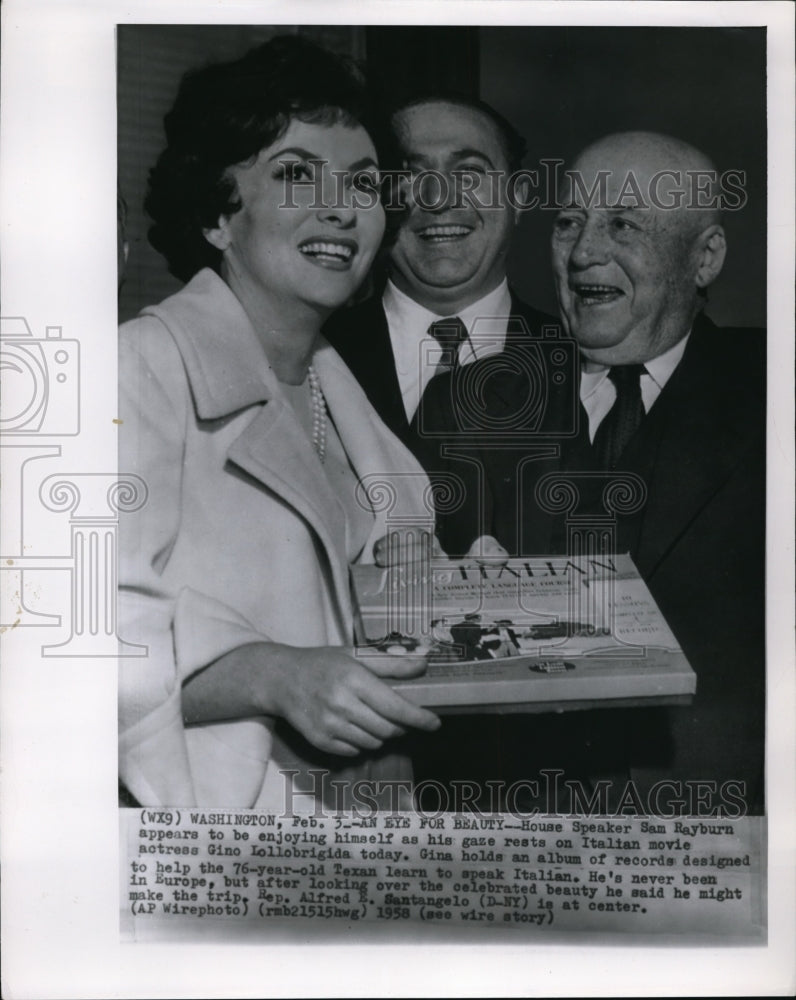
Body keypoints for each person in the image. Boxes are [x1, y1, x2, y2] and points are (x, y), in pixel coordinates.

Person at [117, 36, 441, 812]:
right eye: (296, 174)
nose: (340, 206)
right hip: (206, 851)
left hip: (359, 842)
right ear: (218, 216)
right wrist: (273, 673)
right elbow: (61, 645)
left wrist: (464, 593)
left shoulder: (344, 391)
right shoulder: (138, 369)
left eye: (363, 183)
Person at [437, 131, 765, 813]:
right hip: (504, 835)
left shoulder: (774, 389)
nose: (585, 251)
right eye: (569, 224)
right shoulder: (467, 402)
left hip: (723, 844)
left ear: (703, 258)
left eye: (622, 224)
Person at [324, 94, 557, 558]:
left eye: (468, 173)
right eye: (410, 177)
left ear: (519, 195)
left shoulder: (584, 365)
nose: (438, 199)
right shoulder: (310, 356)